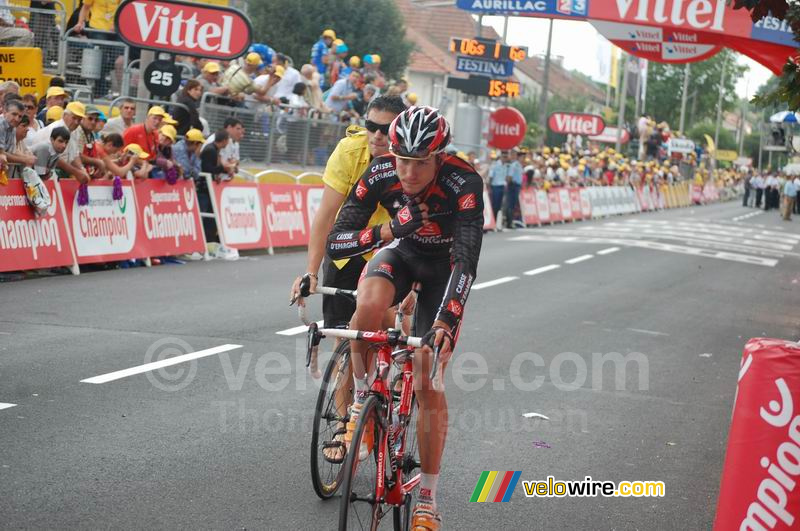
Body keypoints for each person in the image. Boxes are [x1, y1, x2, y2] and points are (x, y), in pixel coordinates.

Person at [326, 106, 484, 530]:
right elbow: (336, 243)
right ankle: (362, 397)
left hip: (445, 270)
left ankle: (428, 500)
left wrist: (445, 322)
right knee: (368, 306)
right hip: (403, 254)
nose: (409, 172)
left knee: (428, 375)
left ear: (439, 157)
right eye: (402, 161)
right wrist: (386, 232)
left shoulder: (463, 181)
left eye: (420, 163)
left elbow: (466, 260)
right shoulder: (380, 173)